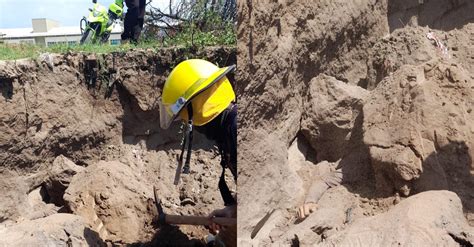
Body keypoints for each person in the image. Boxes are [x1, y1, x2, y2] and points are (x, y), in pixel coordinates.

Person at [159, 59, 237, 246]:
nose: (186, 123)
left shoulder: (237, 128)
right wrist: (234, 209)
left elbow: (268, 192)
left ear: (197, 106)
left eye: (185, 117)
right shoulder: (227, 128)